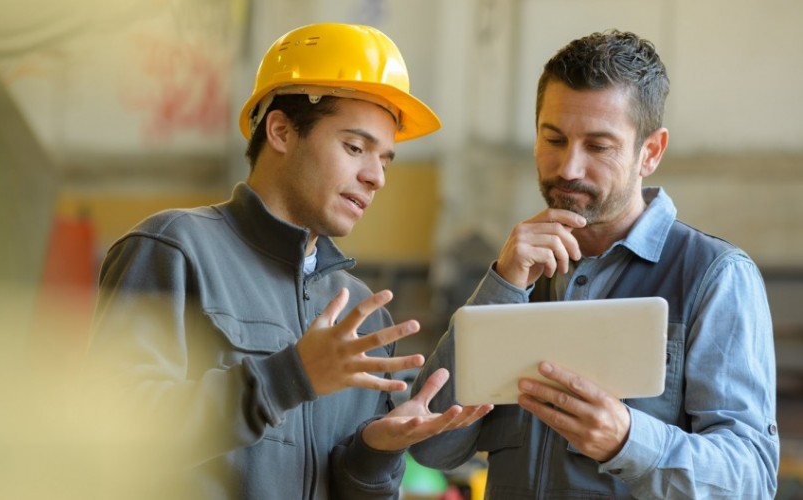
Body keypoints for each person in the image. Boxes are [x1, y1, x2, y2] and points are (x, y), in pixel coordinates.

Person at [82, 23, 492, 499]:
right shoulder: (174, 250)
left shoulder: (361, 313)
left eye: (386, 159)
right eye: (355, 147)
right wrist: (289, 377)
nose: (375, 176)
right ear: (280, 130)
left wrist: (375, 455)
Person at [409, 30, 780, 498]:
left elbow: (751, 480)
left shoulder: (714, 277)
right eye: (554, 138)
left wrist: (628, 440)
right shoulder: (518, 275)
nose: (568, 168)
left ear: (651, 152)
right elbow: (431, 447)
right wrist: (502, 286)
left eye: (599, 146)